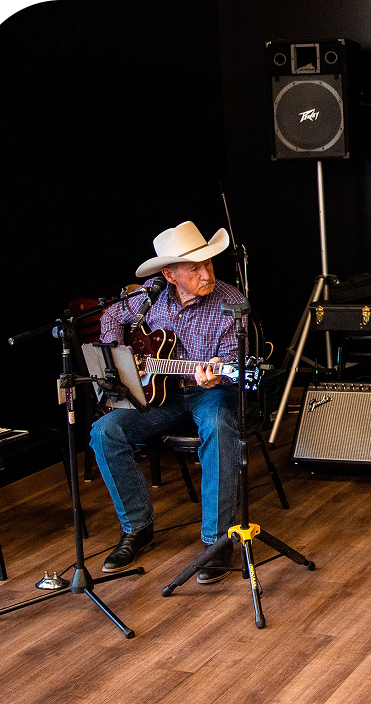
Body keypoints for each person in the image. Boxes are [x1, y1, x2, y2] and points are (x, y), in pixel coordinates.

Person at [90, 221, 245, 584]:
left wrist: (220, 374)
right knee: (104, 431)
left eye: (208, 264)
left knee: (219, 427)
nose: (206, 273)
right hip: (161, 394)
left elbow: (236, 368)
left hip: (211, 390)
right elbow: (112, 315)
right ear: (169, 274)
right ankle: (137, 529)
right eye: (195, 268)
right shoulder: (150, 293)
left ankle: (217, 542)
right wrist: (121, 354)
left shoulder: (231, 300)